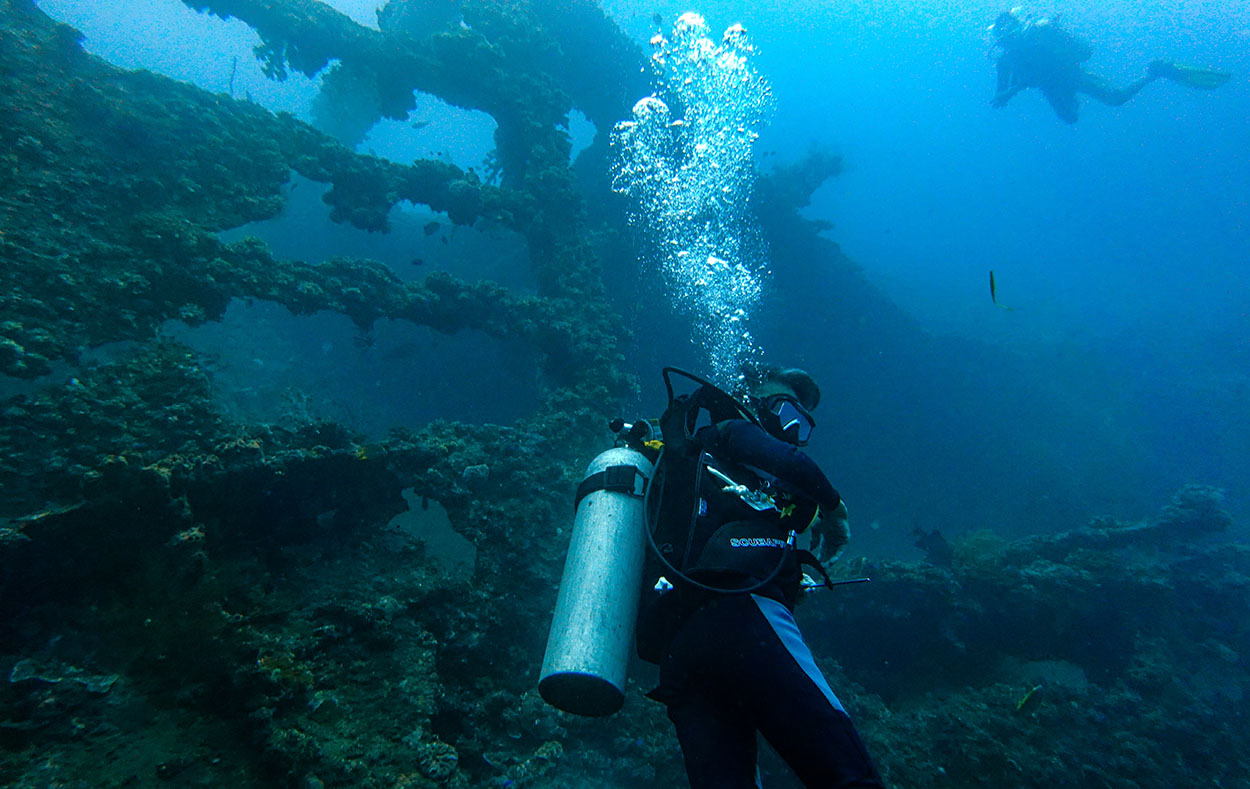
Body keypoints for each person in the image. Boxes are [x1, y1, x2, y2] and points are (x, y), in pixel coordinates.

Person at [636, 366, 883, 788]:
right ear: (755, 400)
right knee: (845, 771)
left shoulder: (702, 465)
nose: (790, 428)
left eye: (801, 424)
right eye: (785, 409)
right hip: (743, 619)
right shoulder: (732, 431)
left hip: (680, 656)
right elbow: (791, 462)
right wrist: (834, 507)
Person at [989, 8, 1231, 124]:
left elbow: (1002, 93)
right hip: (1057, 84)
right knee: (1071, 118)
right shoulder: (1005, 60)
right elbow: (1002, 93)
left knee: (1114, 98)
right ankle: (1154, 73)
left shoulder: (1013, 54)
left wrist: (1011, 91)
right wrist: (1010, 92)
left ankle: (1156, 72)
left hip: (1070, 76)